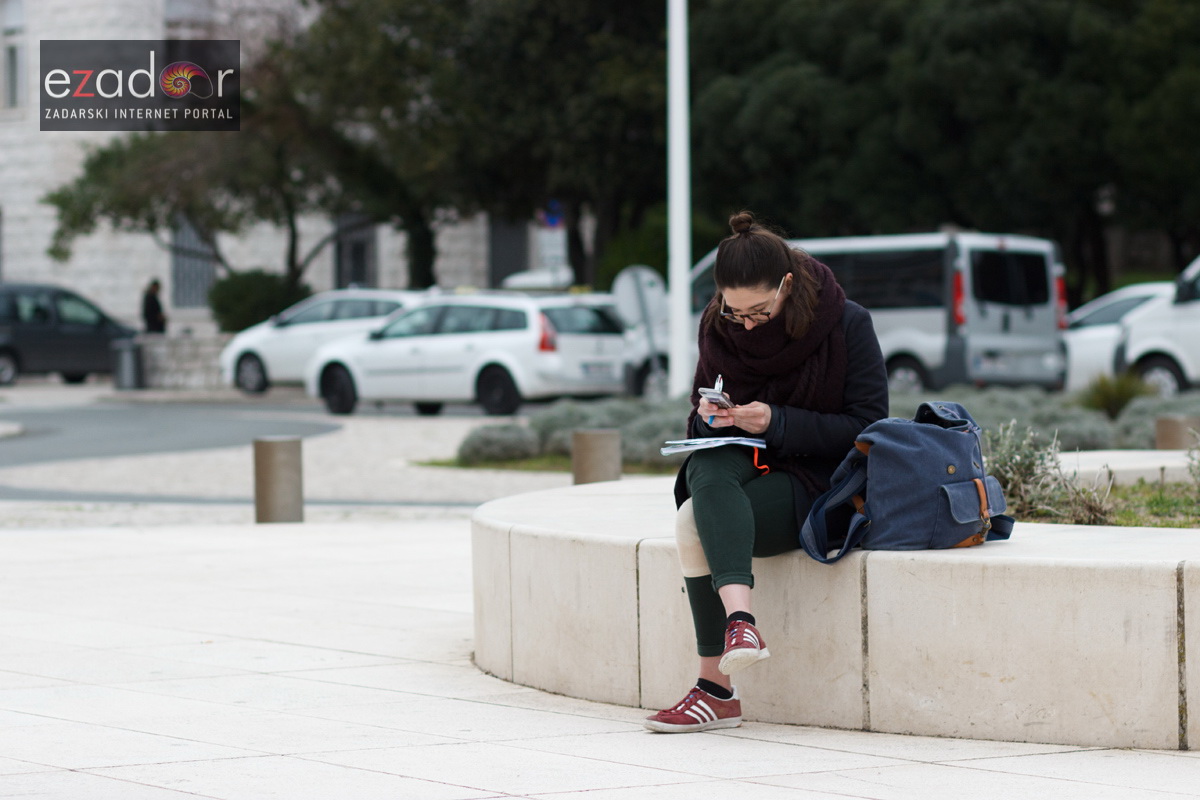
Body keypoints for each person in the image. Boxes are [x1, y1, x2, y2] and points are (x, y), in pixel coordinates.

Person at [644, 211, 889, 733]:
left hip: (819, 479)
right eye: (736, 313)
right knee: (706, 459)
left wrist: (777, 421)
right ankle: (742, 625)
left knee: (693, 522)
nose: (747, 324)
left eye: (759, 310)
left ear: (788, 285)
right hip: (741, 460)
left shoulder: (847, 323)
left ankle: (716, 691)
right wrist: (708, 417)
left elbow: (869, 427)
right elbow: (699, 409)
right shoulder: (719, 324)